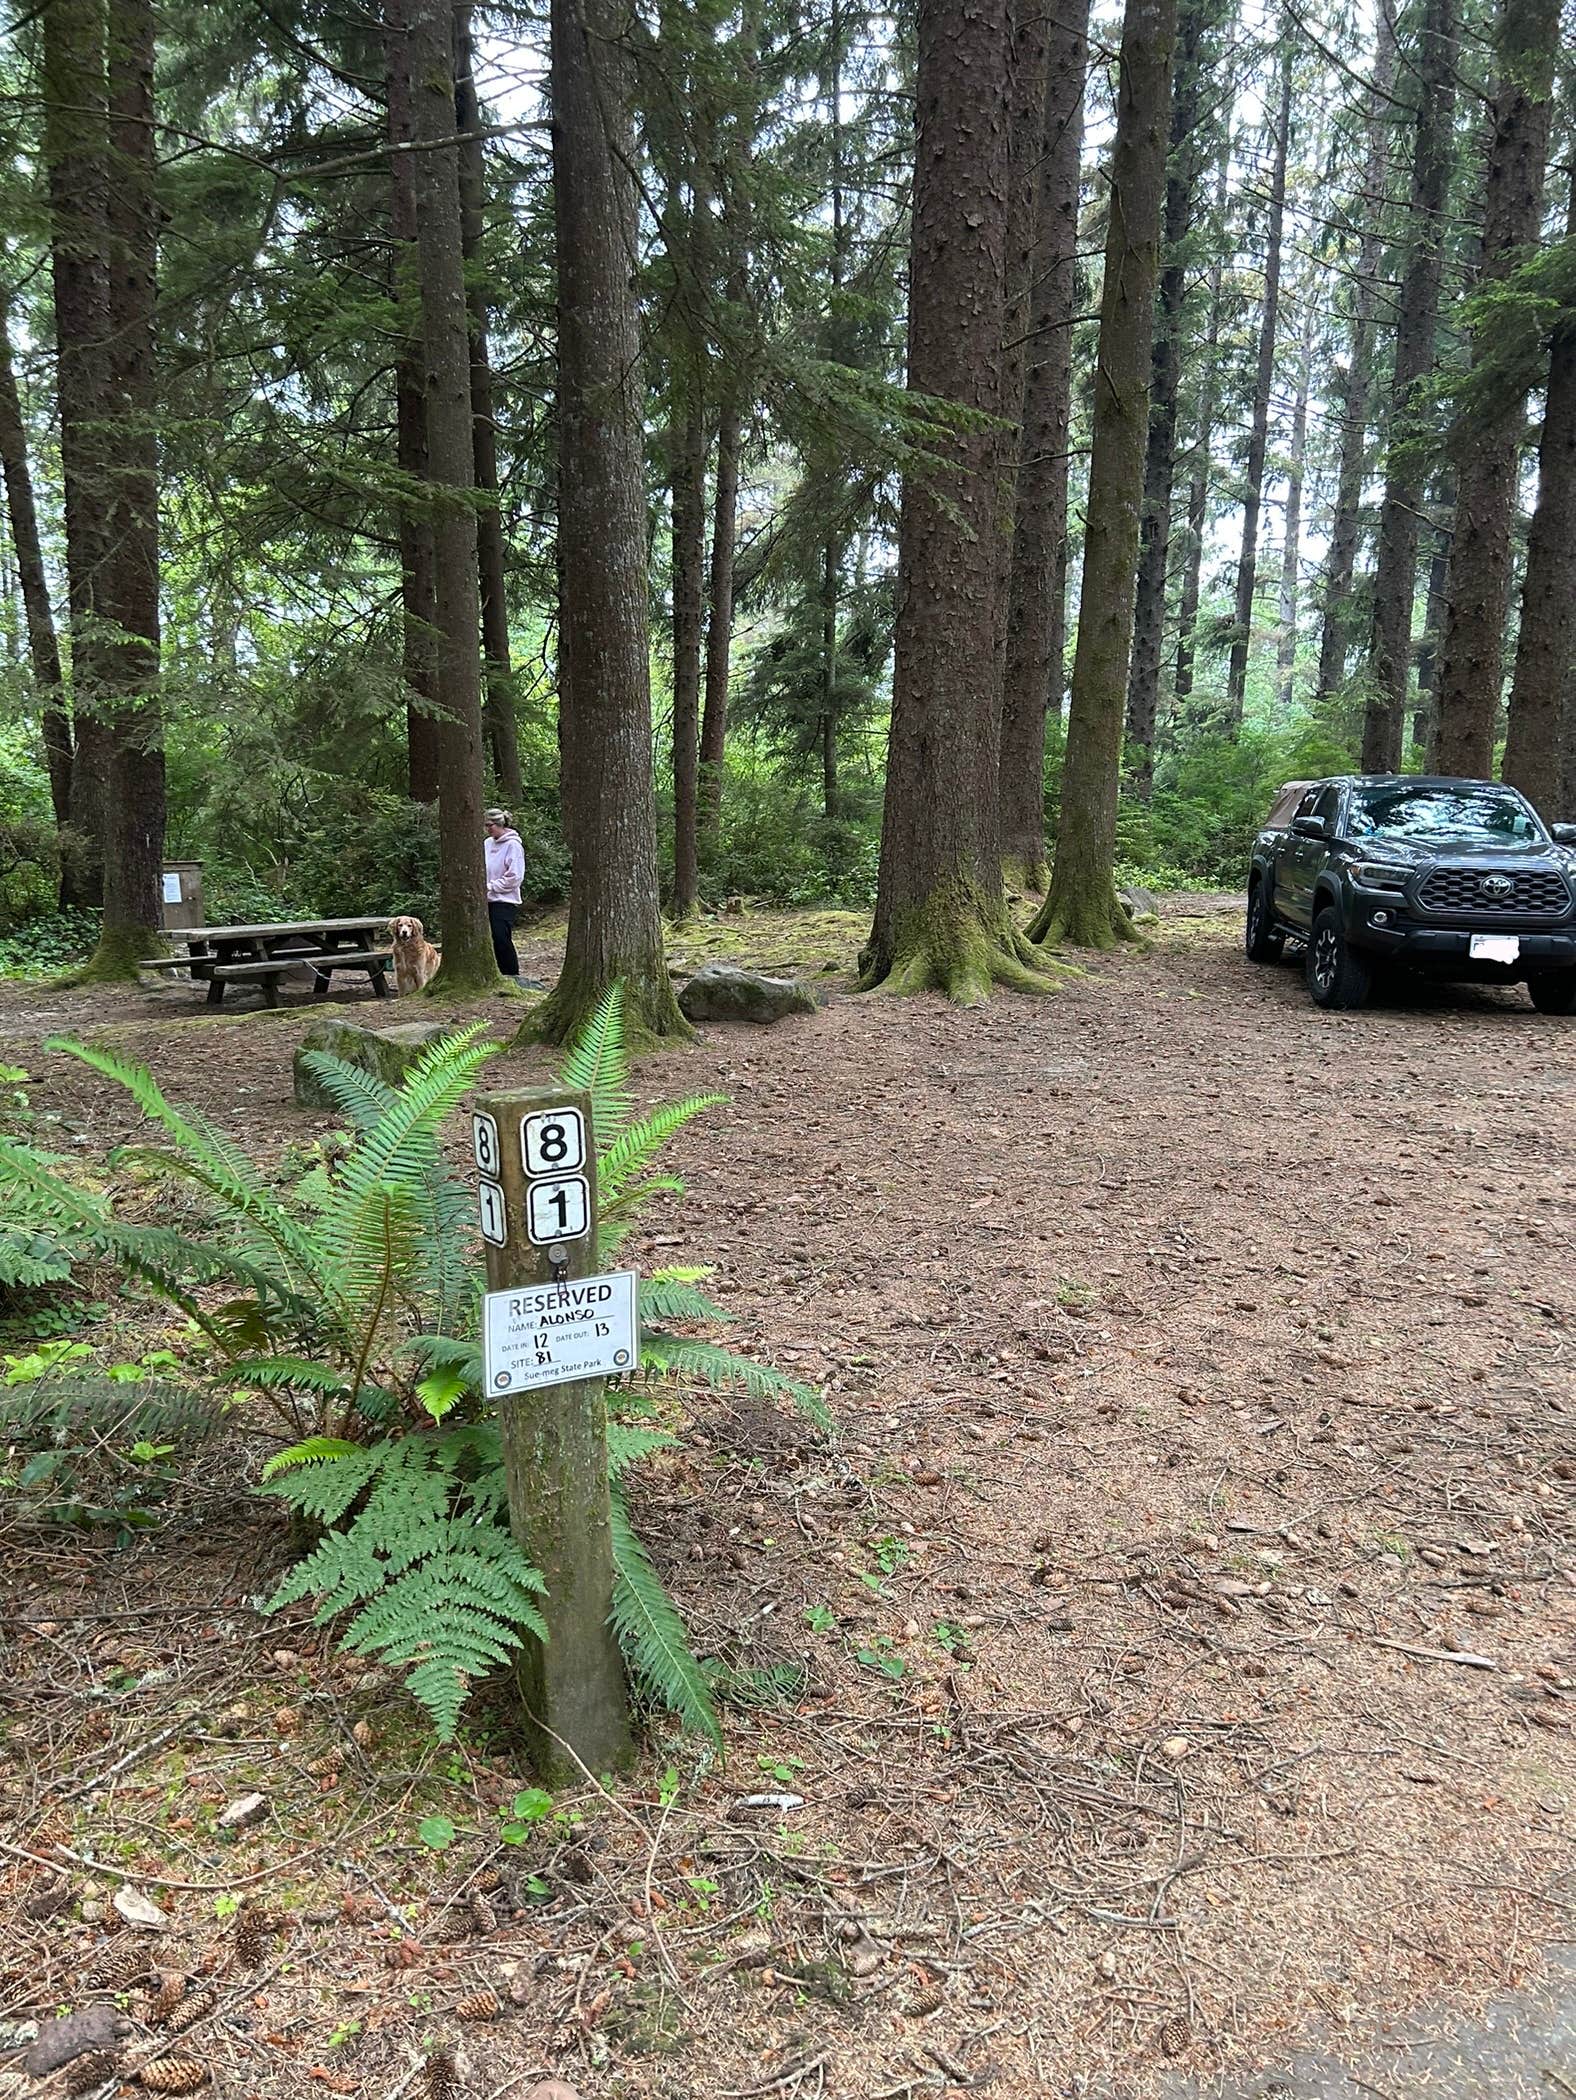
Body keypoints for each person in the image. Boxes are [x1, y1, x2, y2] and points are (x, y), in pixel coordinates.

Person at [483, 809, 525, 978]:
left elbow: (515, 876)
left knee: (501, 938)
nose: (487, 829)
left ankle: (512, 975)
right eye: (485, 825)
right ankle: (495, 975)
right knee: (488, 941)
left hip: (504, 900)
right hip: (485, 900)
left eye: (490, 825)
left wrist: (491, 886)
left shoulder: (513, 845)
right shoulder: (487, 843)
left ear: (500, 824)